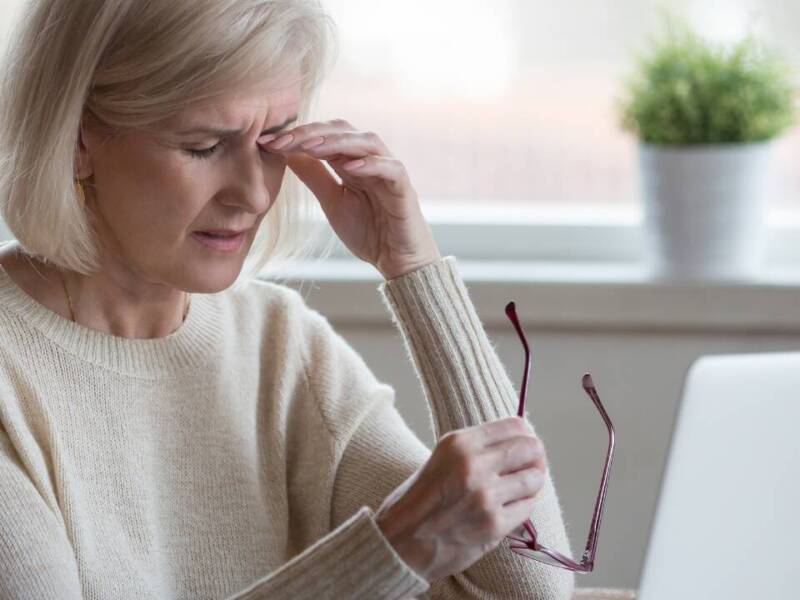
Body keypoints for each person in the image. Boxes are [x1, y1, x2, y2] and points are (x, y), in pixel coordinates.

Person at [0, 0, 574, 598]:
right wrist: (393, 551)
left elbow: (528, 590)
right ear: (78, 140)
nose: (253, 194)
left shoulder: (279, 343)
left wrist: (414, 268)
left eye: (272, 144)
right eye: (203, 146)